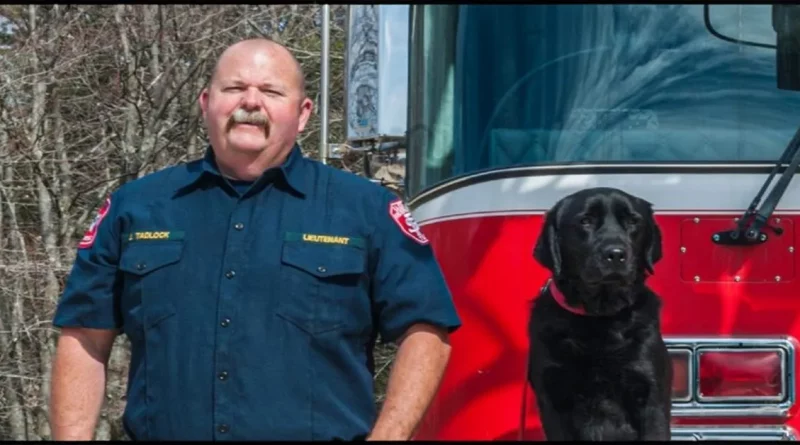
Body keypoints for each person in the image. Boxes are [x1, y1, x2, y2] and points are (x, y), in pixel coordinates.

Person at [48, 38, 461, 441]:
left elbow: (426, 332)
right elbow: (85, 335)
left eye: (270, 91)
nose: (250, 102)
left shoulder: (366, 209)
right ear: (206, 102)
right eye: (234, 88)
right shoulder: (135, 206)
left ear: (302, 114)